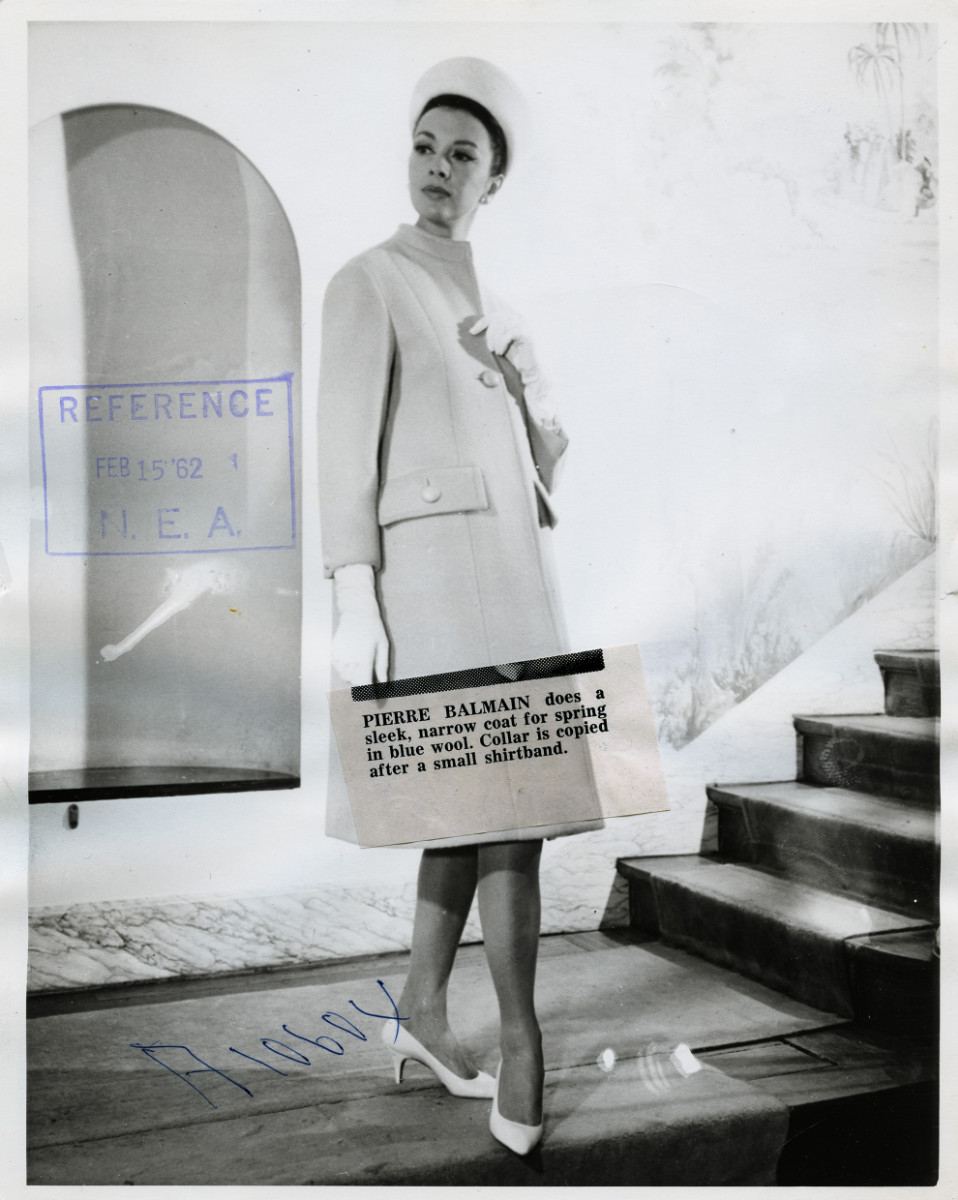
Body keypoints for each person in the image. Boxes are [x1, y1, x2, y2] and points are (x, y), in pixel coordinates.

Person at [317, 58, 600, 1156]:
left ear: (494, 180)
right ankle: (523, 1041)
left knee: (472, 809)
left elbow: (544, 479)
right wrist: (354, 593)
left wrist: (535, 385)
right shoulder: (370, 280)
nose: (438, 167)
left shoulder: (500, 309)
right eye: (425, 147)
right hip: (430, 586)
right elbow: (344, 453)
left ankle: (424, 1012)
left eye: (462, 154)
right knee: (504, 809)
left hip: (515, 583)